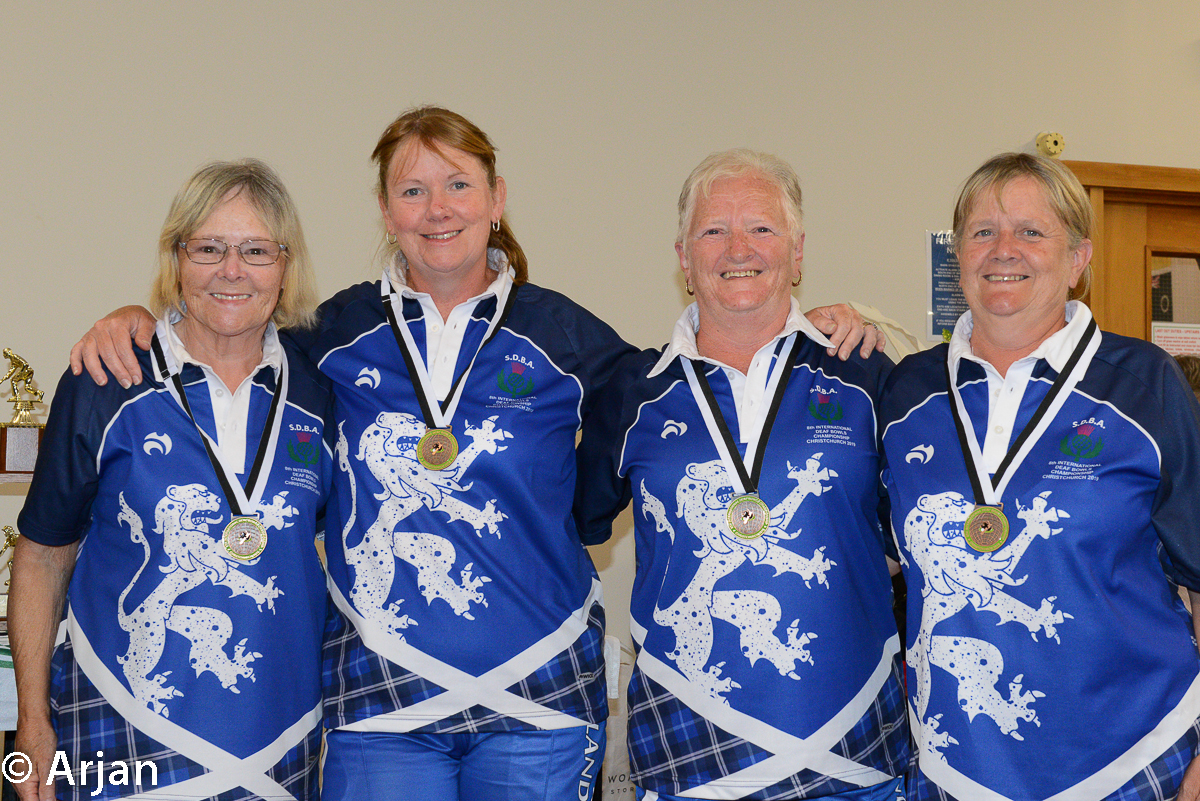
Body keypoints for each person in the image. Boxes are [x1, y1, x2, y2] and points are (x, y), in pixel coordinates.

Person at [68, 107, 884, 801]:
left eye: (458, 185)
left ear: (497, 200)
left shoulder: (568, 336)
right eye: (412, 190)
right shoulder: (330, 334)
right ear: (385, 211)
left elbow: (688, 384)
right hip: (381, 704)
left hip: (538, 701)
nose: (437, 208)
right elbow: (228, 326)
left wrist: (831, 326)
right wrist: (139, 321)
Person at [575, 149, 907, 800]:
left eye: (761, 227)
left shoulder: (865, 374)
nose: (738, 248)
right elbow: (563, 526)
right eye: (713, 230)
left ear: (797, 250)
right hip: (689, 754)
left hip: (853, 748)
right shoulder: (634, 391)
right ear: (683, 257)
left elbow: (921, 536)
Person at [879, 152, 1200, 801]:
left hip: (1133, 765)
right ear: (958, 255)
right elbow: (872, 553)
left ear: (1078, 259)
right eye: (983, 231)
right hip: (956, 766)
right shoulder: (907, 391)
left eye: (1031, 231)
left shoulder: (1143, 386)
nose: (1004, 250)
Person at [10, 159, 332, 800]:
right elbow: (43, 555)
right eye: (208, 248)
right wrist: (32, 722)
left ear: (285, 265)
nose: (231, 270)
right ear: (177, 258)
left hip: (280, 737)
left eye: (256, 250)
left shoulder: (323, 386)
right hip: (118, 725)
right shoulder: (107, 379)